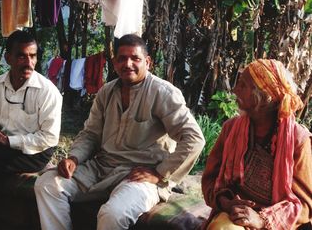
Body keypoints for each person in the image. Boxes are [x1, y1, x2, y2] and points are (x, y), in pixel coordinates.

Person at [34, 34, 205, 230]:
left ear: (147, 62)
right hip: (102, 167)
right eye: (122, 58)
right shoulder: (106, 92)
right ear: (114, 62)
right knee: (47, 184)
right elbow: (91, 134)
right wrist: (73, 158)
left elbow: (194, 139)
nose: (128, 64)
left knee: (112, 214)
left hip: (139, 175)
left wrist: (160, 173)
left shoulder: (162, 92)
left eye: (135, 58)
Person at [0, 30, 63, 230]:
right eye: (21, 55)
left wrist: (8, 141)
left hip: (35, 152)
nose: (28, 62)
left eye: (32, 56)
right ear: (8, 57)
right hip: (2, 147)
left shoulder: (47, 91)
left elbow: (49, 138)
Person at [201, 59, 312, 229]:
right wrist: (226, 203)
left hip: (278, 222)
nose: (235, 89)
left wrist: (262, 220)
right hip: (235, 216)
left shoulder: (298, 140)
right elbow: (210, 179)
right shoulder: (230, 129)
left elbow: (305, 205)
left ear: (265, 96)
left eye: (243, 86)